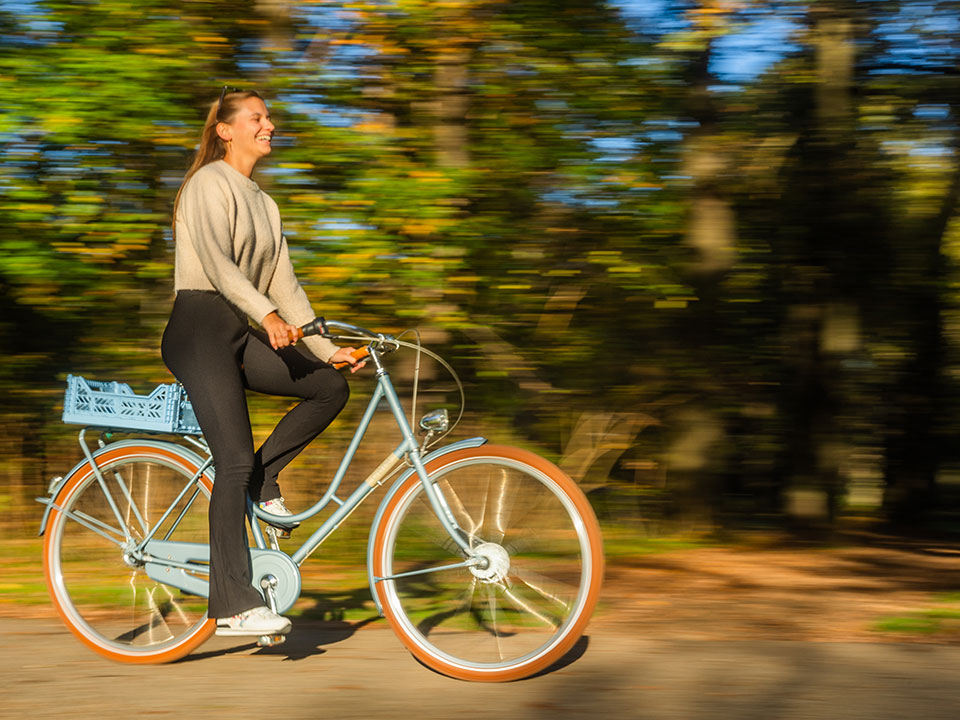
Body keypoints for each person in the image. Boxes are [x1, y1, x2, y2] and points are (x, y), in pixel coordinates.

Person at [161, 87, 364, 637]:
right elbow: (219, 266)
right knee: (231, 461)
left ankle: (264, 477)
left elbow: (286, 286)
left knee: (328, 387)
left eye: (269, 117)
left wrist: (327, 348)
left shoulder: (265, 204)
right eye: (257, 117)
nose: (268, 125)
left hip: (238, 327)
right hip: (199, 327)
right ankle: (232, 604)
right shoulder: (207, 184)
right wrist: (267, 315)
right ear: (226, 130)